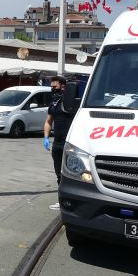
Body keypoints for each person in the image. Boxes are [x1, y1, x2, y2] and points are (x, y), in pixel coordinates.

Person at [44, 77, 77, 210]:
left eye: (55, 87)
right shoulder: (54, 103)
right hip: (57, 144)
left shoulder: (71, 103)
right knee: (59, 173)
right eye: (51, 87)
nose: (53, 90)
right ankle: (61, 200)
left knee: (71, 173)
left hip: (69, 144)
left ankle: (73, 200)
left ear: (63, 87)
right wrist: (46, 137)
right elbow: (48, 121)